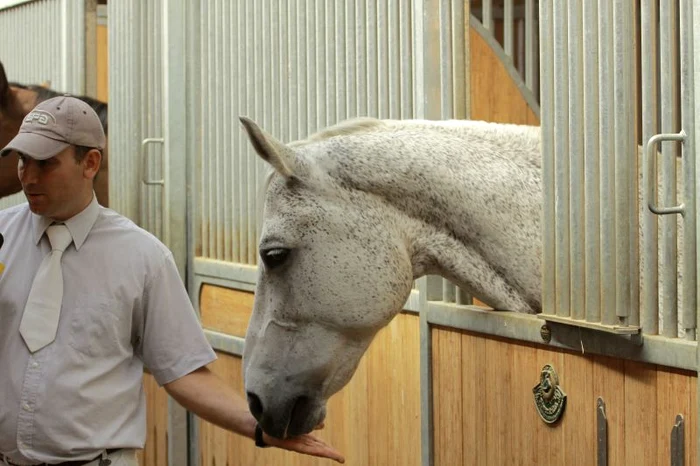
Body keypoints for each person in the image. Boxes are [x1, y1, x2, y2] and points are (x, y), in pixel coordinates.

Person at [0, 96, 345, 466]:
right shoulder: (2, 236)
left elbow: (184, 372)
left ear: (91, 163)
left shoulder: (142, 258)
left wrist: (259, 427)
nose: (28, 176)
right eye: (23, 160)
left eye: (46, 163)